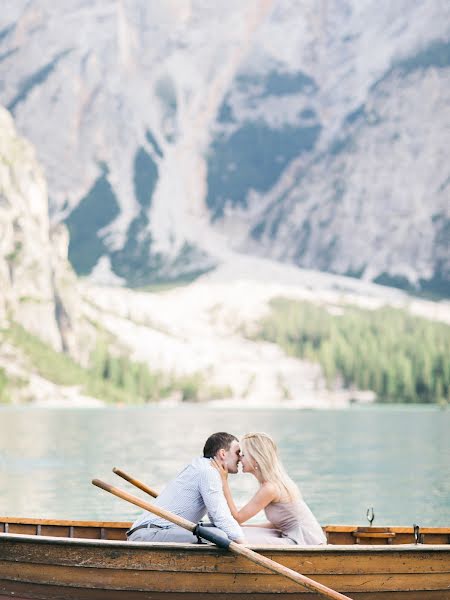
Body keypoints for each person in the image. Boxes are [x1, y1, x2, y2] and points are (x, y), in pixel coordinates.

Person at [127, 432, 245, 544]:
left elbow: (216, 517)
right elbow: (221, 517)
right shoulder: (208, 472)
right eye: (237, 452)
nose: (240, 457)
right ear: (223, 454)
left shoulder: (204, 467)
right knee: (220, 535)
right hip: (149, 534)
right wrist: (245, 545)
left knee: (220, 531)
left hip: (153, 531)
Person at [212, 432, 326, 545]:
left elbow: (237, 518)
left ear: (255, 459)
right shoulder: (271, 483)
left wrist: (224, 481)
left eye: (244, 455)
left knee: (232, 537)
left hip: (304, 542)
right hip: (294, 535)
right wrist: (244, 527)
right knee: (238, 531)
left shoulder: (270, 488)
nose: (240, 458)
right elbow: (278, 524)